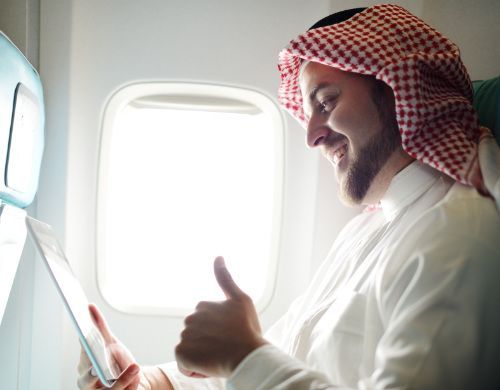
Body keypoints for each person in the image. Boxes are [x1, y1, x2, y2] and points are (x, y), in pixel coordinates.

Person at [78, 4, 500, 389]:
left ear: (401, 93)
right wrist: (151, 382)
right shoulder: (364, 231)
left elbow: (257, 366)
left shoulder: (459, 236)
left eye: (327, 101)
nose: (313, 135)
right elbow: (280, 359)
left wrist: (244, 355)